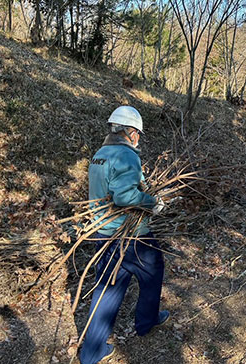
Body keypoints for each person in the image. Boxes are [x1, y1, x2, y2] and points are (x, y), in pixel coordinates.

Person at [79, 106, 169, 364]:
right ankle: (147, 321)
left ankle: (91, 352)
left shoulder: (100, 155)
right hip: (130, 236)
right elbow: (125, 196)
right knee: (154, 271)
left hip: (103, 235)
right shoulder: (125, 155)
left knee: (107, 290)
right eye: (137, 133)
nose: (138, 138)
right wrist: (153, 202)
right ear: (130, 132)